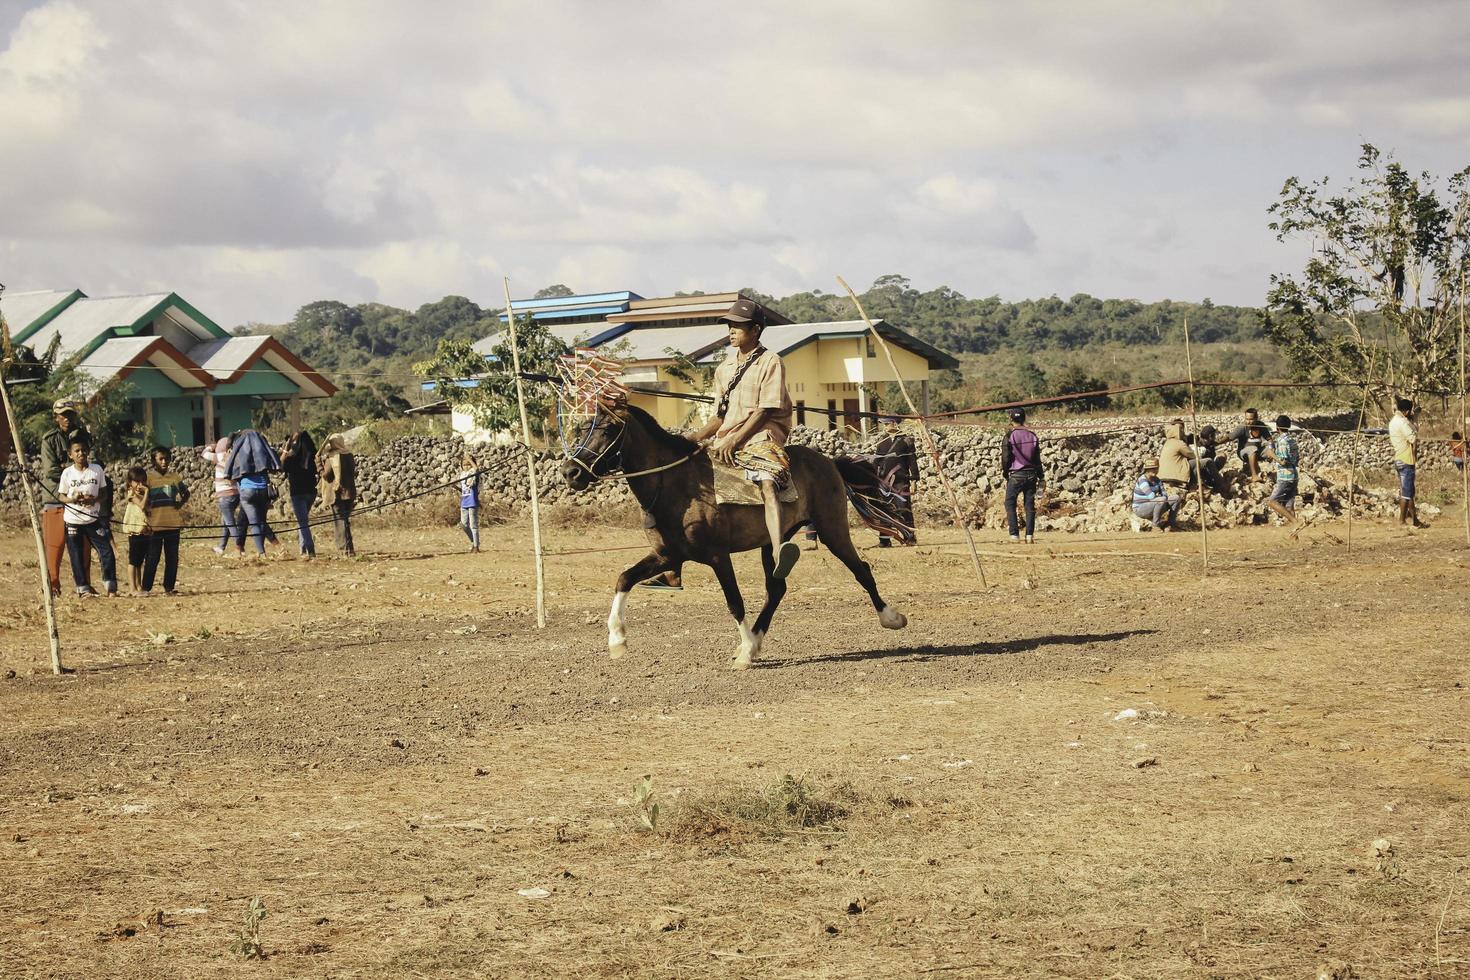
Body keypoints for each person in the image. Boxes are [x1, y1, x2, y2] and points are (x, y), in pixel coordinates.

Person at [689, 297, 799, 578]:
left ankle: (778, 549)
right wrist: (692, 437)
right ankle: (672, 564)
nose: (731, 331)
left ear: (756, 330)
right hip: (726, 438)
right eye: (730, 326)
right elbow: (719, 418)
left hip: (762, 436)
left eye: (738, 326)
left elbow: (765, 411)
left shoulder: (771, 362)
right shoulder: (724, 369)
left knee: (767, 482)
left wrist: (734, 440)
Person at [39, 400, 93, 596]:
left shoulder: (83, 436)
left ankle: (85, 586)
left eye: (70, 414)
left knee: (83, 545)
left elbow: (91, 462)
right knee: (55, 545)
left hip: (82, 499)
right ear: (56, 417)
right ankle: (52, 586)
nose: (67, 418)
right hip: (57, 497)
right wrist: (75, 470)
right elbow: (51, 470)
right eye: (63, 414)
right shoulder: (49, 439)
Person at [56, 438, 117, 597]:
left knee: (106, 550)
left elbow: (104, 493)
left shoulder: (96, 470)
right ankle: (82, 588)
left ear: (88, 451)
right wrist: (73, 499)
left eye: (83, 450)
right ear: (70, 455)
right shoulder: (67, 473)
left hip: (93, 519)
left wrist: (93, 500)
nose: (81, 453)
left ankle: (110, 586)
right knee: (76, 554)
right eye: (76, 451)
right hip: (73, 521)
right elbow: (61, 496)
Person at [226, 429, 282, 556]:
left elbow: (231, 477)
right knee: (254, 520)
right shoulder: (262, 450)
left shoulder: (238, 453)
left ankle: (262, 553)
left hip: (247, 492)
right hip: (264, 491)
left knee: (255, 523)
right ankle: (239, 548)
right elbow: (274, 464)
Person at [142, 446, 188, 594]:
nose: (164, 462)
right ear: (153, 461)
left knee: (172, 558)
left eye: (167, 458)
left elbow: (186, 493)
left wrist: (179, 504)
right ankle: (146, 588)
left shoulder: (174, 477)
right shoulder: (148, 478)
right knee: (152, 558)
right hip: (154, 526)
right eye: (160, 459)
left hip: (173, 524)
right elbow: (139, 496)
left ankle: (169, 587)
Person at [872, 416, 919, 547]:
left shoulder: (906, 441)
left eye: (887, 424)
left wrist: (914, 479)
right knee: (884, 510)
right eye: (884, 425)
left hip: (901, 480)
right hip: (884, 482)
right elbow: (877, 462)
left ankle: (909, 538)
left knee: (903, 509)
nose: (885, 427)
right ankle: (885, 540)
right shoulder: (882, 443)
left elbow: (912, 461)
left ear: (894, 424)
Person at [1001, 408, 1042, 544]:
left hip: (1016, 474)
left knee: (1010, 503)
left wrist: (1005, 473)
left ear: (1011, 420)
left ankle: (1014, 535)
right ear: (1024, 419)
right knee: (1029, 505)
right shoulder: (1032, 436)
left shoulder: (1009, 436)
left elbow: (1006, 458)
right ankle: (1029, 535)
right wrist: (1042, 477)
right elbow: (1037, 459)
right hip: (1032, 474)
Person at [202, 436, 245, 556]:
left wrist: (212, 446)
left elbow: (204, 454)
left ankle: (240, 548)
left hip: (225, 496)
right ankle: (221, 547)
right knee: (225, 521)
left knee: (230, 523)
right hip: (235, 494)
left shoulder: (222, 456)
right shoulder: (236, 457)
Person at [280, 430, 319, 558]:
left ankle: (310, 549)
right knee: (303, 521)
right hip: (311, 492)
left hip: (298, 493)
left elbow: (281, 464)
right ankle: (302, 548)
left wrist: (286, 448)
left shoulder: (292, 458)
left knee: (303, 522)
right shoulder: (312, 456)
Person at [1388, 397, 1425, 527]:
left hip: (1399, 458)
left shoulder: (1394, 421)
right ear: (1407, 411)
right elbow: (1413, 438)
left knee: (1409, 492)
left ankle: (1415, 520)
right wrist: (1415, 420)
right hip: (1406, 459)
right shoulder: (1403, 423)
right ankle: (1402, 521)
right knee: (1406, 494)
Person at [318, 433, 357, 556]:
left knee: (340, 521)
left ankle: (344, 549)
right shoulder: (349, 455)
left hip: (337, 493)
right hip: (349, 492)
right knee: (345, 521)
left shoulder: (333, 458)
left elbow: (326, 475)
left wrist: (318, 464)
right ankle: (349, 548)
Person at [1264, 414, 1299, 527]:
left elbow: (1283, 461)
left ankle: (1295, 522)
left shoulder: (1283, 442)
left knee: (1272, 501)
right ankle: (1295, 536)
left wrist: (1271, 454)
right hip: (1294, 476)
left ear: (1277, 428)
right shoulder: (1292, 440)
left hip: (1285, 477)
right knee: (1289, 506)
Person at [121, 465, 151, 593]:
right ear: (130, 483)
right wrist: (147, 492)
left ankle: (139, 586)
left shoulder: (142, 494)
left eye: (142, 481)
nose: (140, 485)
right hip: (134, 532)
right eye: (137, 482)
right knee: (133, 561)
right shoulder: (131, 495)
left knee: (139, 561)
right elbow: (143, 505)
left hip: (143, 531)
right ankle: (132, 587)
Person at [1132, 457, 1180, 531]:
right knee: (1161, 500)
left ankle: (1170, 524)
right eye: (1152, 468)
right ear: (1147, 470)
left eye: (1156, 468)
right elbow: (1151, 496)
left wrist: (1162, 498)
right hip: (1140, 508)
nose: (1155, 470)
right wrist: (1161, 498)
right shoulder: (1142, 480)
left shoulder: (1157, 480)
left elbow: (1164, 493)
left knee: (1176, 498)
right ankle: (1155, 525)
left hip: (1154, 503)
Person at [1158, 420, 1197, 495]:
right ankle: (1192, 487)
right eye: (1180, 429)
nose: (1182, 431)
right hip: (1174, 477)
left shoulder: (1167, 443)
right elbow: (1192, 455)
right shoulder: (1179, 443)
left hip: (1162, 476)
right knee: (1196, 463)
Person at [1231, 409, 1271, 480]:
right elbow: (1229, 437)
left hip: (1258, 451)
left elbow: (1269, 439)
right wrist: (1218, 442)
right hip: (1243, 452)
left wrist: (1272, 448)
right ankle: (1254, 475)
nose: (1248, 422)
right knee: (1252, 448)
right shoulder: (1242, 427)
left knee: (1272, 449)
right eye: (1247, 419)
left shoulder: (1261, 425)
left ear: (1256, 418)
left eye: (1251, 419)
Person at [457, 451, 481, 553]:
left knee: (473, 525)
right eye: (464, 465)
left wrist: (470, 459)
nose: (466, 467)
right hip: (464, 502)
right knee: (464, 525)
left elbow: (476, 469)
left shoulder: (473, 474)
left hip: (472, 502)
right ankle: (474, 541)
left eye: (468, 465)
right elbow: (463, 489)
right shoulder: (462, 475)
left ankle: (476, 546)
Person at [1195, 425, 1226, 494]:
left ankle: (1213, 480)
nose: (1215, 437)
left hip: (1211, 469)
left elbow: (1217, 442)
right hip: (1202, 472)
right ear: (1210, 436)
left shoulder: (1210, 443)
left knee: (1222, 456)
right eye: (1213, 435)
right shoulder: (1199, 448)